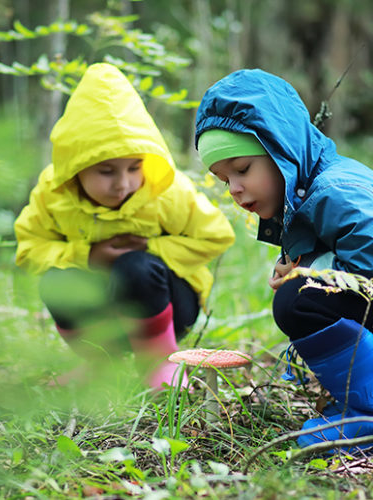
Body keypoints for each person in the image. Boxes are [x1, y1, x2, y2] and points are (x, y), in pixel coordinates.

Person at [194, 69, 373, 452]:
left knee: (299, 298)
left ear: (282, 150)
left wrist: (308, 271)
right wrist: (308, 264)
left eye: (243, 169)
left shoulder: (336, 189)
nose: (235, 188)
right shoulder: (310, 189)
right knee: (305, 293)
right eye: (222, 178)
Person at [14, 63, 235, 390]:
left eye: (134, 167)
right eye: (106, 171)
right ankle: (101, 363)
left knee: (137, 267)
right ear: (76, 168)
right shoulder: (54, 193)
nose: (124, 184)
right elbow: (30, 248)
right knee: (57, 280)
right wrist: (88, 255)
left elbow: (216, 235)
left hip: (169, 306)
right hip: (103, 310)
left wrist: (151, 248)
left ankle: (160, 363)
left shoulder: (167, 193)